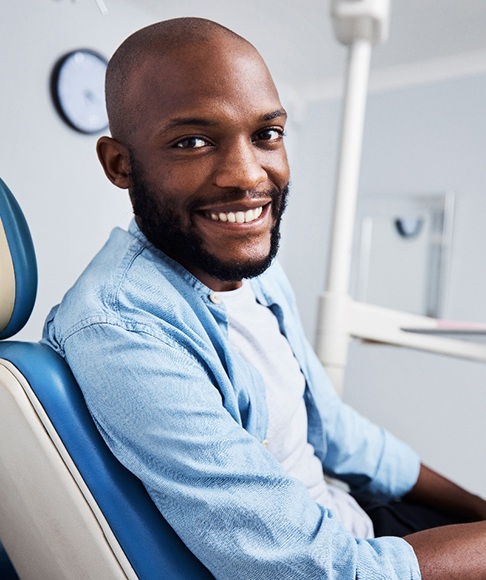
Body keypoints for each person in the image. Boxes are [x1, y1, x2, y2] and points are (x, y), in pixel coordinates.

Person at [43, 17, 486, 579]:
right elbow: (323, 571)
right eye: (192, 142)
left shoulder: (250, 270)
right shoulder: (121, 329)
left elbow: (337, 432)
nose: (247, 175)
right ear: (120, 165)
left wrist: (475, 508)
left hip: (361, 523)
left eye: (266, 134)